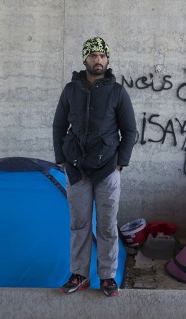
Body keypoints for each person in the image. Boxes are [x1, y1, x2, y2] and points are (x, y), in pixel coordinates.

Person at [53, 37, 137, 297]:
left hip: (107, 170)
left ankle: (107, 277)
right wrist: (61, 158)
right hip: (77, 170)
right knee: (79, 225)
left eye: (102, 56)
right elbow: (59, 125)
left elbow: (130, 130)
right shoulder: (70, 90)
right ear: (85, 59)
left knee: (107, 226)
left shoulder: (117, 92)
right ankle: (80, 275)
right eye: (93, 56)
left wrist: (120, 163)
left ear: (107, 60)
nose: (98, 60)